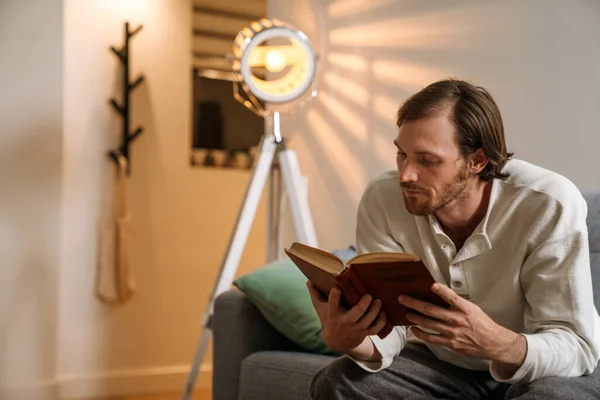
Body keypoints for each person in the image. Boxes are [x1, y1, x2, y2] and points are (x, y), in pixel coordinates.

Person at [308, 79, 600, 399]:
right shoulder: (383, 199)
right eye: (401, 154)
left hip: (537, 368)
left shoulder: (548, 203)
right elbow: (392, 328)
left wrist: (498, 342)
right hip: (443, 367)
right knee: (337, 381)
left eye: (427, 160)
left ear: (477, 161)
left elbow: (577, 347)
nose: (406, 174)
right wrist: (351, 340)